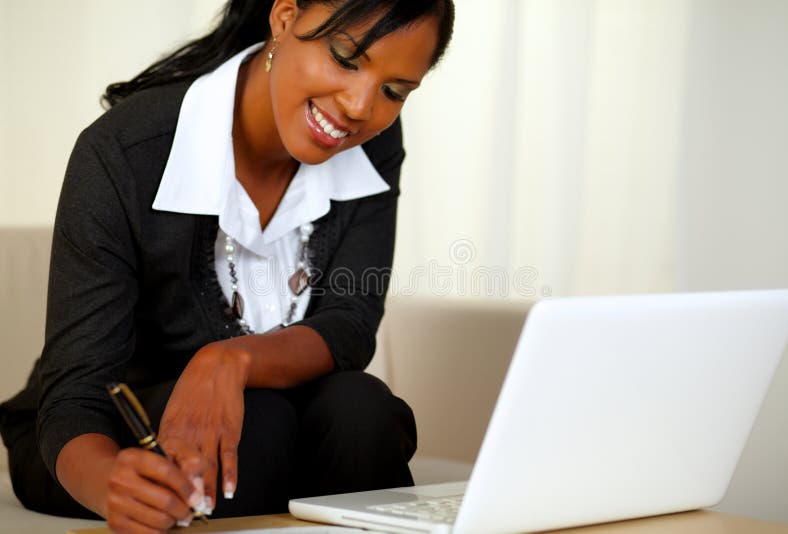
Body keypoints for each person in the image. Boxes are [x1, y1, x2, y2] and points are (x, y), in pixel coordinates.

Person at [0, 0, 455, 531]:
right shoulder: (125, 151)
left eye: (394, 91)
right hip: (102, 438)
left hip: (276, 418)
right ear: (284, 19)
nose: (359, 106)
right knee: (258, 426)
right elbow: (76, 394)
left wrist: (231, 360)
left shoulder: (370, 144)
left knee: (363, 410)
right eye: (346, 58)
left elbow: (350, 324)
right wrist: (112, 485)